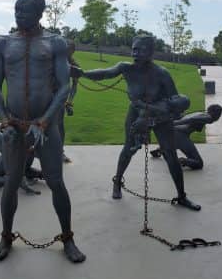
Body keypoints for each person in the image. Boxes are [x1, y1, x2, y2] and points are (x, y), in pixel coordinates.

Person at [0, 0, 85, 263]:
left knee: (56, 182)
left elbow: (64, 85)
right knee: (11, 183)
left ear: (40, 13)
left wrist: (44, 122)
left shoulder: (56, 43)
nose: (19, 14)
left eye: (26, 11)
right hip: (14, 127)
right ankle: (6, 237)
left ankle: (68, 238)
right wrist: (4, 120)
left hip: (46, 127)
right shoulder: (3, 43)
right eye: (16, 9)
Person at [71, 35, 201, 210]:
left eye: (141, 50)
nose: (135, 53)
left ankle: (182, 196)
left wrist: (151, 118)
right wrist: (83, 74)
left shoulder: (162, 74)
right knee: (128, 149)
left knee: (171, 155)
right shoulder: (126, 68)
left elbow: (175, 106)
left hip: (160, 118)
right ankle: (117, 181)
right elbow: (106, 73)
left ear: (151, 52)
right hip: (136, 113)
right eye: (134, 49)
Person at [0, 112, 42, 194]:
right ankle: (36, 174)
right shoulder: (5, 124)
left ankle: (15, 180)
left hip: (15, 154)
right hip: (27, 154)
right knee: (18, 164)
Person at [150, 104, 222, 169]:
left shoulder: (201, 113)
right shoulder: (209, 118)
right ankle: (180, 161)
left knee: (180, 142)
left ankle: (161, 150)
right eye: (219, 115)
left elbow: (184, 117)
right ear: (217, 114)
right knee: (199, 163)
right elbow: (191, 119)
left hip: (174, 132)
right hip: (179, 134)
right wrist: (174, 123)